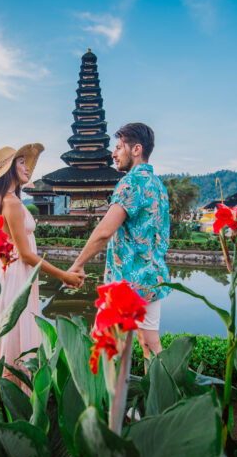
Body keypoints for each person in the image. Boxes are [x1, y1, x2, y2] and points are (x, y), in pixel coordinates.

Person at [0, 143, 85, 381]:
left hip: (9, 272)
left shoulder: (6, 200)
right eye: (21, 162)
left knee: (7, 332)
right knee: (16, 330)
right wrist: (63, 276)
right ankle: (15, 389)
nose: (27, 168)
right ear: (9, 170)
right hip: (16, 275)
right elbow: (24, 254)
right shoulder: (12, 203)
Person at [68, 123, 170, 365]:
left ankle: (102, 402)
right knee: (150, 344)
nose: (113, 154)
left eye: (118, 147)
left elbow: (104, 231)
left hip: (125, 284)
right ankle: (159, 399)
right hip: (152, 279)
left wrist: (78, 264)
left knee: (101, 346)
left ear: (136, 149)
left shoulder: (130, 183)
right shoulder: (158, 185)